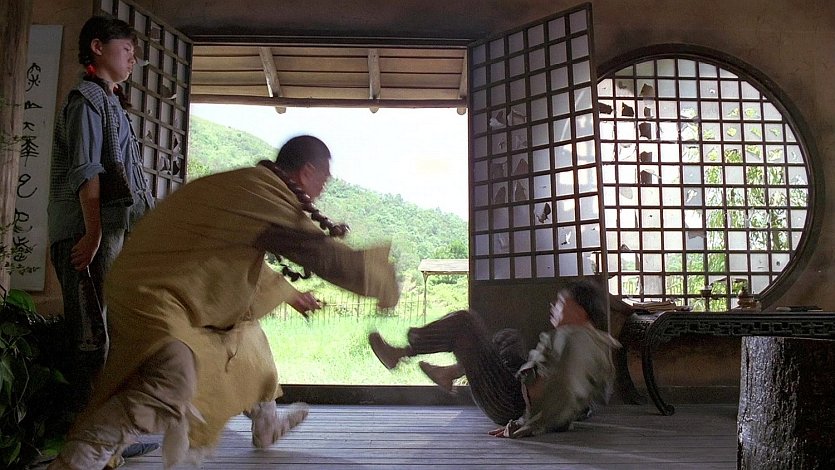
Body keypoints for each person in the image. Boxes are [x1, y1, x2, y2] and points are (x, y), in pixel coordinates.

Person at [48, 135, 400, 470]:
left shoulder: (251, 187)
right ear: (308, 171)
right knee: (172, 381)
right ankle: (76, 461)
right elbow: (323, 255)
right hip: (154, 295)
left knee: (248, 344)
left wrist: (289, 293)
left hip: (163, 289)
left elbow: (230, 255)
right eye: (324, 178)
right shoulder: (264, 196)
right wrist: (383, 283)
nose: (323, 187)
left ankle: (267, 425)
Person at [47, 15, 156, 461]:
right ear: (97, 47)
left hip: (105, 233)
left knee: (110, 334)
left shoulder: (110, 101)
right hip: (85, 232)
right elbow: (87, 171)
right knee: (93, 338)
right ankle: (90, 444)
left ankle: (109, 437)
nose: (132, 58)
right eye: (126, 48)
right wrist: (92, 234)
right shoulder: (86, 100)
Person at [368, 279, 620, 438]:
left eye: (561, 302)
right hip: (519, 386)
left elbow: (564, 387)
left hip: (512, 401)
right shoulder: (593, 341)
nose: (553, 306)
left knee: (465, 322)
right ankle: (450, 372)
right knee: (508, 338)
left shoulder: (577, 339)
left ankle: (400, 353)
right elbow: (595, 394)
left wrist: (524, 423)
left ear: (580, 310)